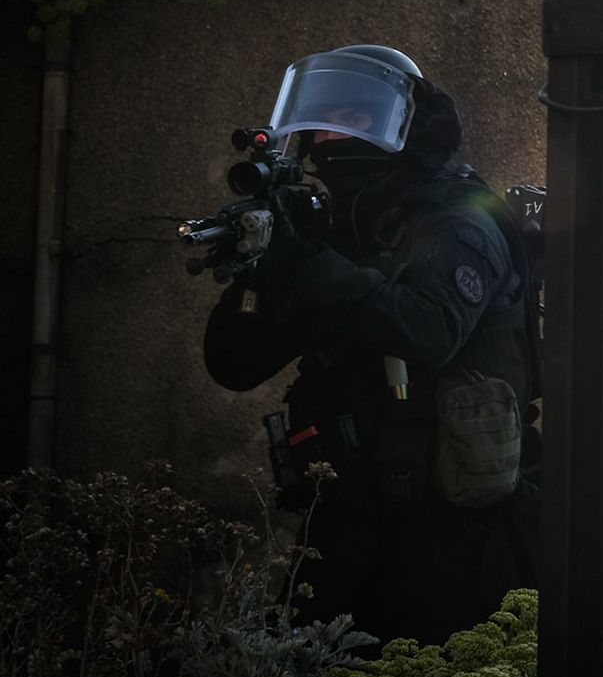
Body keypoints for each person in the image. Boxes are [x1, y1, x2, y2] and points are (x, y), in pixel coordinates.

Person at [202, 44, 539, 645]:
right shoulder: (341, 227)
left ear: (407, 128)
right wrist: (260, 269)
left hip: (452, 532)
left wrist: (307, 265)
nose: (332, 140)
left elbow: (429, 330)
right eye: (322, 126)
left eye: (355, 122)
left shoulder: (460, 218)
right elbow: (234, 365)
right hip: (343, 518)